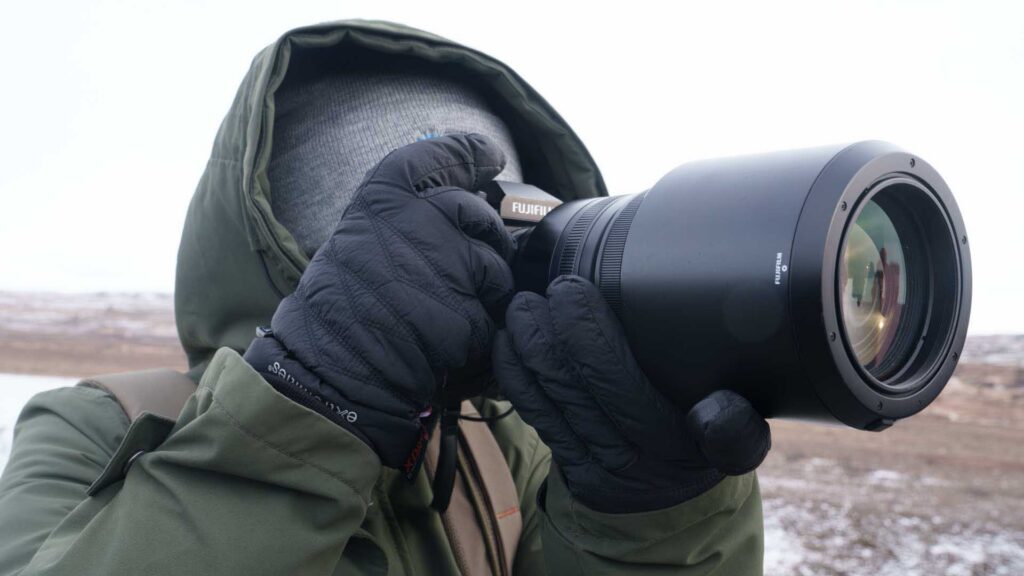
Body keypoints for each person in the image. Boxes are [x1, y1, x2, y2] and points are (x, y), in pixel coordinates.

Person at [0, 20, 770, 575]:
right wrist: (310, 402)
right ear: (314, 255)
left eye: (513, 223)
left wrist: (653, 522)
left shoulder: (507, 442)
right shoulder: (101, 428)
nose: (491, 263)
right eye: (451, 226)